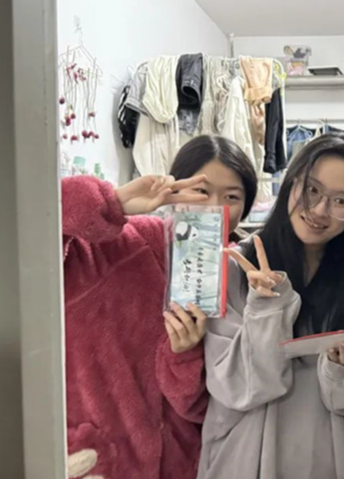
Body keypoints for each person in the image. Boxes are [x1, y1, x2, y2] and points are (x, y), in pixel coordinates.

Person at [63, 135, 258, 479]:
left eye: (232, 197)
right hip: (103, 461)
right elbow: (28, 237)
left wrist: (183, 355)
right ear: (175, 188)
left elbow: (214, 407)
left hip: (187, 465)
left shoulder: (241, 279)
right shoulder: (123, 243)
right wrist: (113, 202)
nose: (215, 207)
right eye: (201, 191)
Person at [197, 133, 344, 479]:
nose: (319, 210)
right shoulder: (236, 268)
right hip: (245, 460)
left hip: (332, 462)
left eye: (341, 201)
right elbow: (238, 387)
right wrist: (268, 307)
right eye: (312, 189)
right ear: (291, 182)